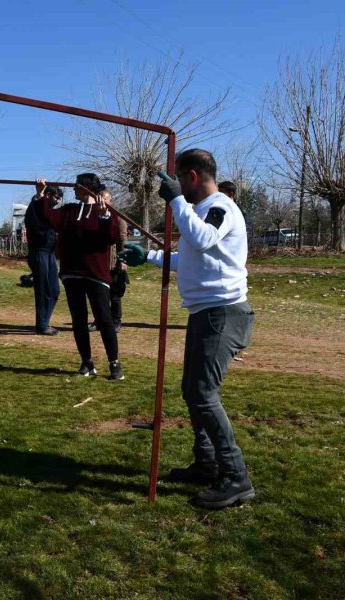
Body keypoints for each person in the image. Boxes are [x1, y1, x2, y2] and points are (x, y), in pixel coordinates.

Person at [151, 149, 256, 509]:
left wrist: (176, 201)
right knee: (191, 390)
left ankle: (236, 476)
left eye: (179, 178)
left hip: (223, 313)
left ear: (192, 176)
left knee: (202, 393)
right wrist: (148, 256)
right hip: (205, 313)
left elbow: (203, 239)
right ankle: (207, 463)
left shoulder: (220, 207)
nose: (176, 185)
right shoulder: (198, 211)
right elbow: (192, 256)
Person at [33, 174, 124, 380]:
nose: (73, 188)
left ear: (86, 188)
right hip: (72, 274)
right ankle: (87, 363)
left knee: (104, 319)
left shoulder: (107, 211)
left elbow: (110, 238)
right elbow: (48, 217)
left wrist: (104, 216)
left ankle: (114, 363)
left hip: (96, 274)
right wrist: (40, 196)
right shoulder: (69, 211)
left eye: (77, 185)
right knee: (78, 320)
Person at [89, 189, 129, 333]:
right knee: (99, 295)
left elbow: (123, 241)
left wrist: (122, 260)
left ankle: (116, 321)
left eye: (105, 199)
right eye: (100, 199)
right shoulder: (93, 216)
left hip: (113, 263)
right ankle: (98, 320)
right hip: (98, 264)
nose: (102, 202)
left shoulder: (118, 218)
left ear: (110, 201)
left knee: (115, 295)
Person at [24, 184, 61, 335]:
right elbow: (35, 210)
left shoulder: (50, 212)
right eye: (56, 196)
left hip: (50, 254)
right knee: (43, 289)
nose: (58, 200)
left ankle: (44, 321)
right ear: (47, 195)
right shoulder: (34, 208)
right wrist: (39, 194)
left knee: (54, 290)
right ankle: (42, 324)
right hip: (39, 253)